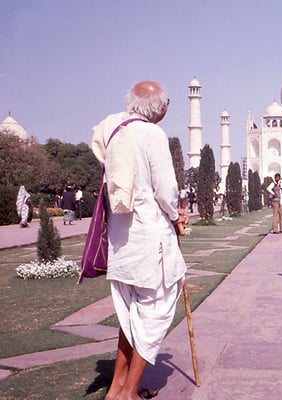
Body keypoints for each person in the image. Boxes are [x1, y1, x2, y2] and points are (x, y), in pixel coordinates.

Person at [91, 80, 188, 400]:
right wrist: (176, 216)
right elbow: (166, 190)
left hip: (121, 242)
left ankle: (116, 387)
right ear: (161, 108)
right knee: (155, 316)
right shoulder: (152, 134)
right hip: (150, 242)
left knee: (130, 315)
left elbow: (98, 144)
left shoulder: (110, 127)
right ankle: (129, 392)